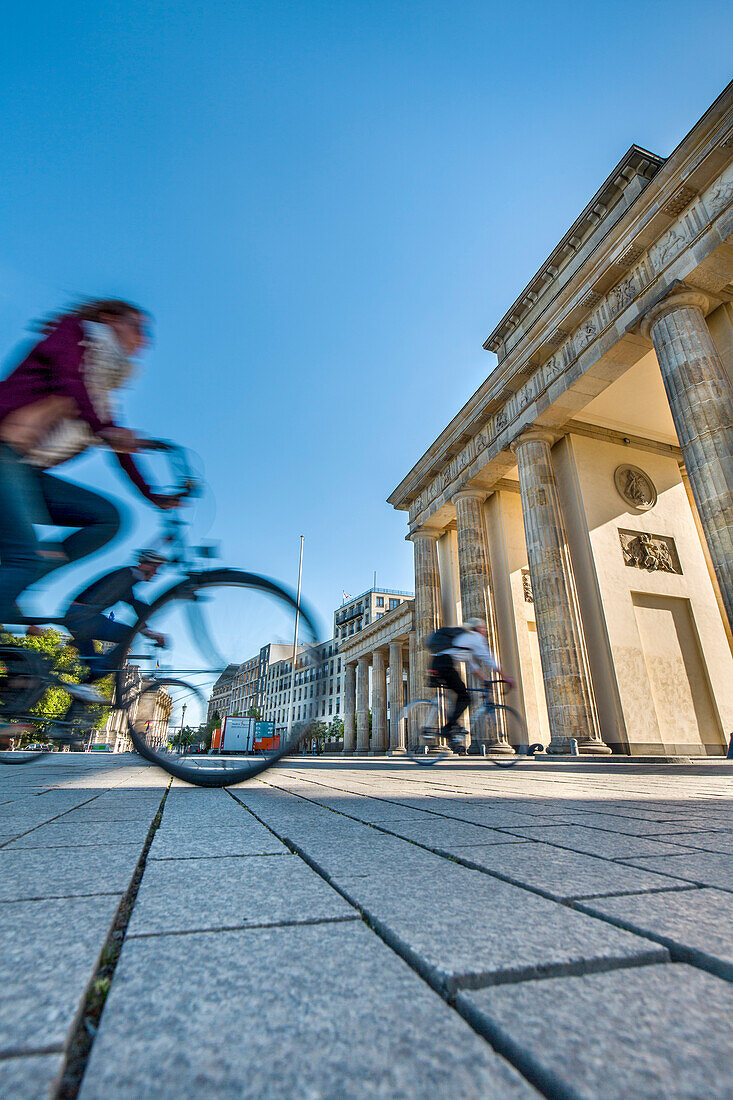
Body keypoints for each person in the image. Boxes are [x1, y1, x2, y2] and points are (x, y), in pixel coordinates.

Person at [0, 298, 179, 623]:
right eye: (137, 327)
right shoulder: (72, 333)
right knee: (22, 555)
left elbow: (119, 451)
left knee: (107, 518)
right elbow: (69, 380)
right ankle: (14, 578)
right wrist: (106, 429)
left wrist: (154, 495)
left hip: (24, 469)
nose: (144, 339)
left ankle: (13, 584)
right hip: (3, 451)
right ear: (109, 319)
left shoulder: (101, 394)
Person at [64, 549, 168, 670]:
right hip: (81, 617)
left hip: (77, 616)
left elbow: (134, 603)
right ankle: (98, 671)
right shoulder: (126, 577)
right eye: (155, 567)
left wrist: (149, 631)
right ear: (144, 565)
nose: (156, 573)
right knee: (128, 636)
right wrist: (150, 633)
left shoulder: (125, 578)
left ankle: (78, 684)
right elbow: (135, 605)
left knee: (92, 663)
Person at [426, 618, 515, 749]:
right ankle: (448, 727)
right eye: (483, 628)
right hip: (445, 664)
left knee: (459, 694)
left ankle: (452, 726)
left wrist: (485, 681)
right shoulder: (475, 638)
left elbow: (474, 668)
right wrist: (506, 678)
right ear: (477, 628)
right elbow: (490, 661)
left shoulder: (466, 640)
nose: (485, 631)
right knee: (465, 697)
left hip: (437, 662)